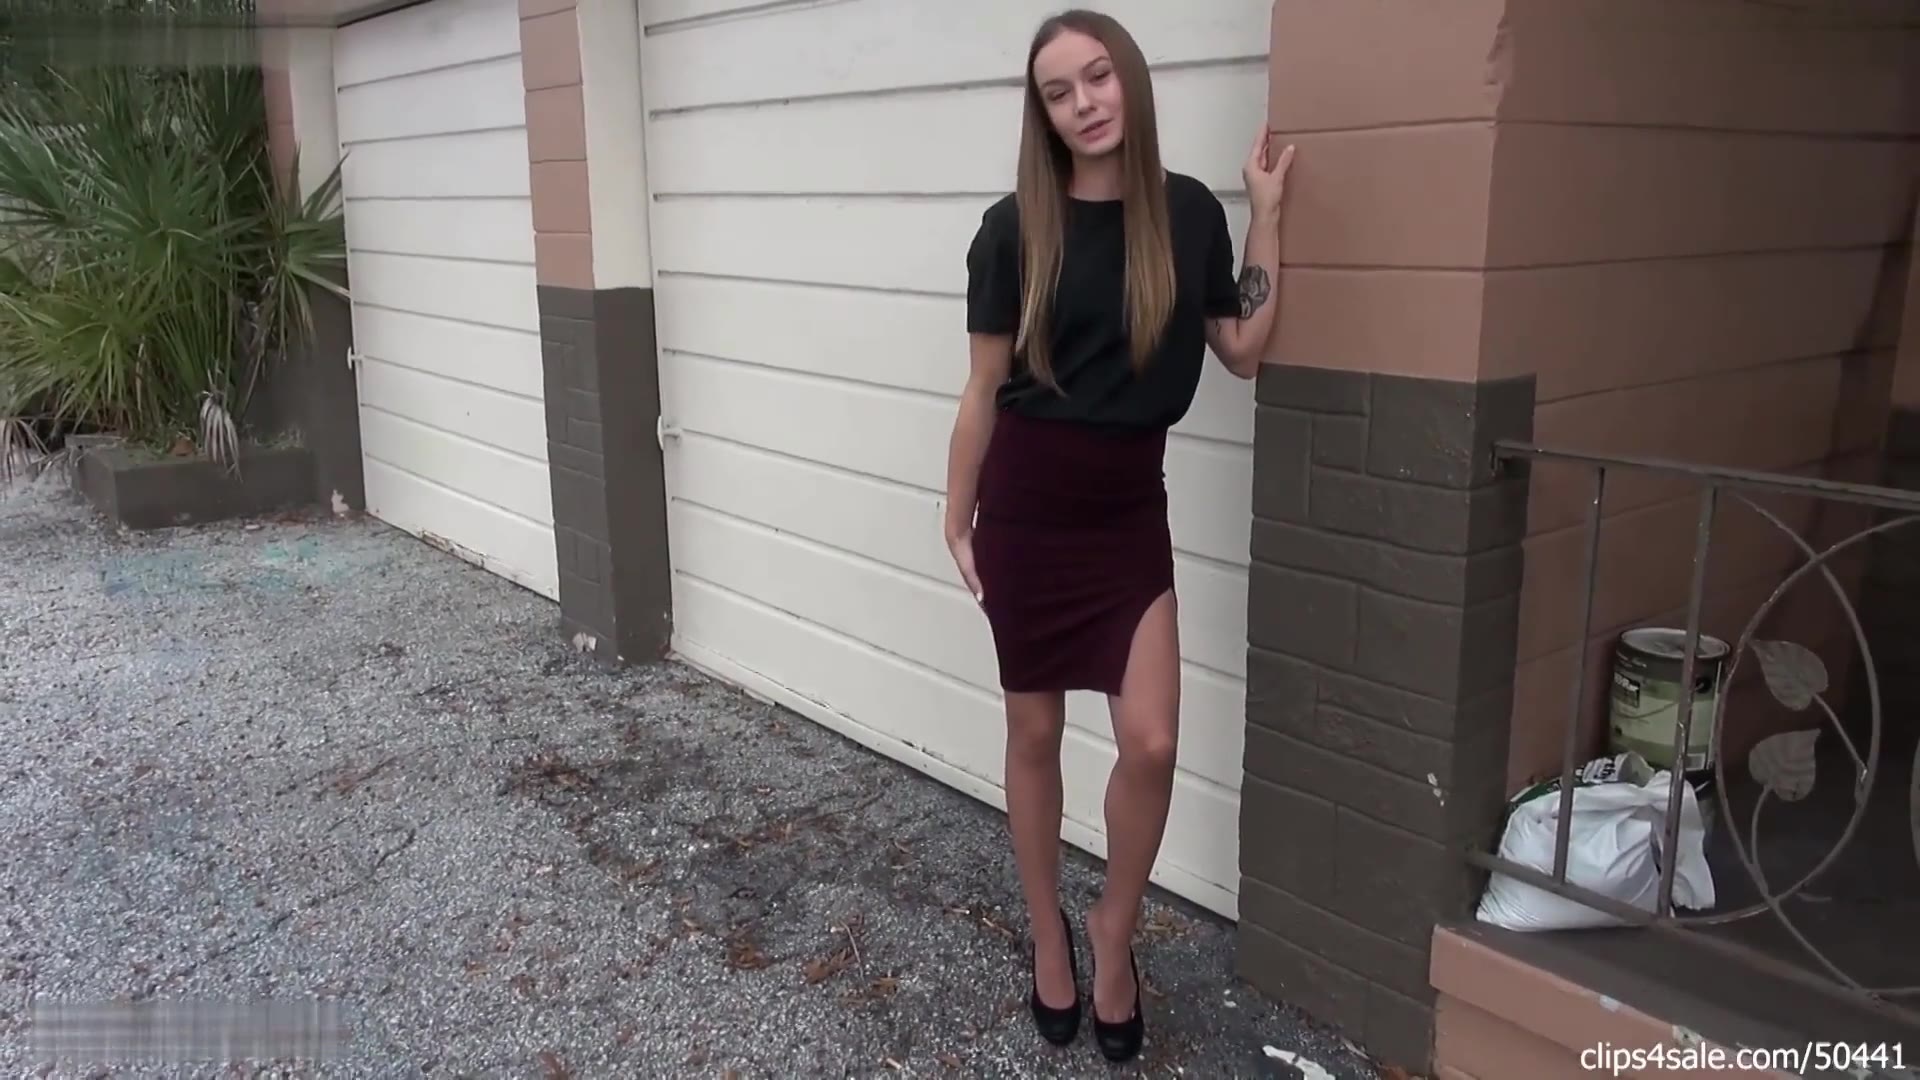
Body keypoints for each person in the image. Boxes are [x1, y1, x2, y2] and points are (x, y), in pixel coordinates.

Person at [941, 7, 1294, 1065]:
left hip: (1129, 514)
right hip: (1027, 511)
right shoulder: (1013, 229)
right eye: (1059, 92)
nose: (1085, 103)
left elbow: (1243, 346)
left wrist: (1266, 213)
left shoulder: (1185, 214)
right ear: (1043, 114)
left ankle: (1111, 930)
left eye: (1098, 77)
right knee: (1034, 735)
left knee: (1151, 742)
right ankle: (1047, 929)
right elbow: (982, 386)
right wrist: (955, 513)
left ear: (1129, 79)